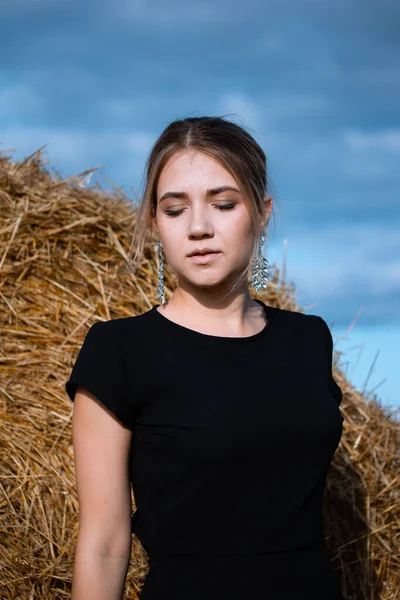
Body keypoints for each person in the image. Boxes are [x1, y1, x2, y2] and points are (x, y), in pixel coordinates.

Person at [65, 116, 344, 599]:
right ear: (154, 224)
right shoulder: (119, 351)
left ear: (262, 212)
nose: (198, 227)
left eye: (224, 204)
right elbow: (104, 544)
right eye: (175, 210)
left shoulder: (309, 339)